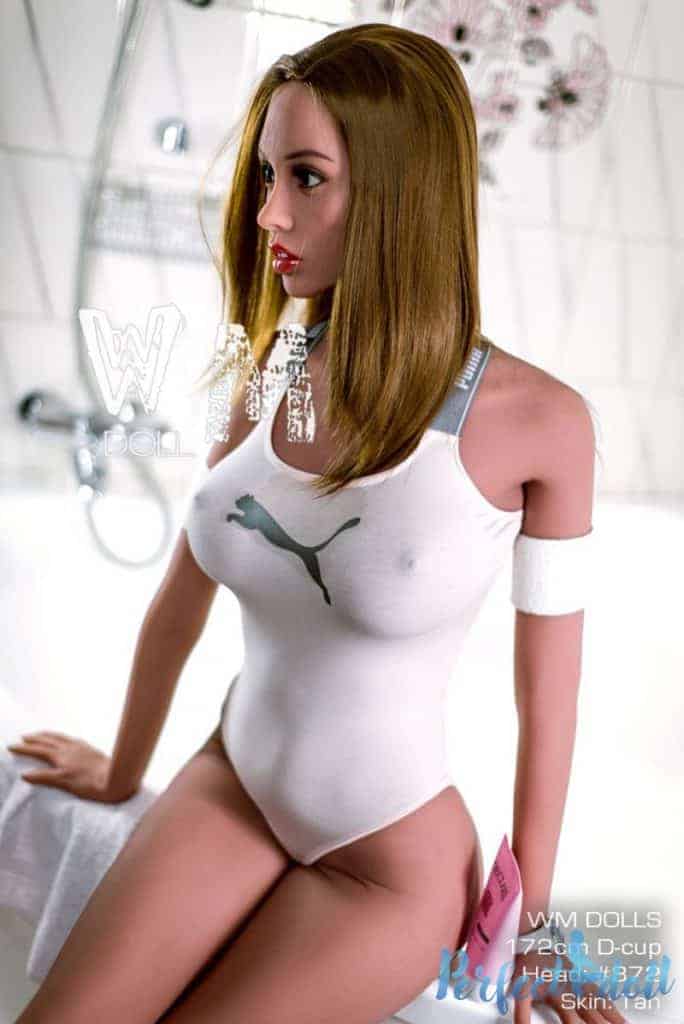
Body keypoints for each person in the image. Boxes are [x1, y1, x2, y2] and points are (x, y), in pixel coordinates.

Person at [8, 23, 623, 1024]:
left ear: (396, 190)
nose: (267, 213)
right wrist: (122, 771)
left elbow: (549, 703)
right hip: (234, 779)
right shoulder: (277, 370)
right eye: (266, 176)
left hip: (389, 863)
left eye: (305, 177)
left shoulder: (541, 424)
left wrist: (536, 924)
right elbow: (181, 596)